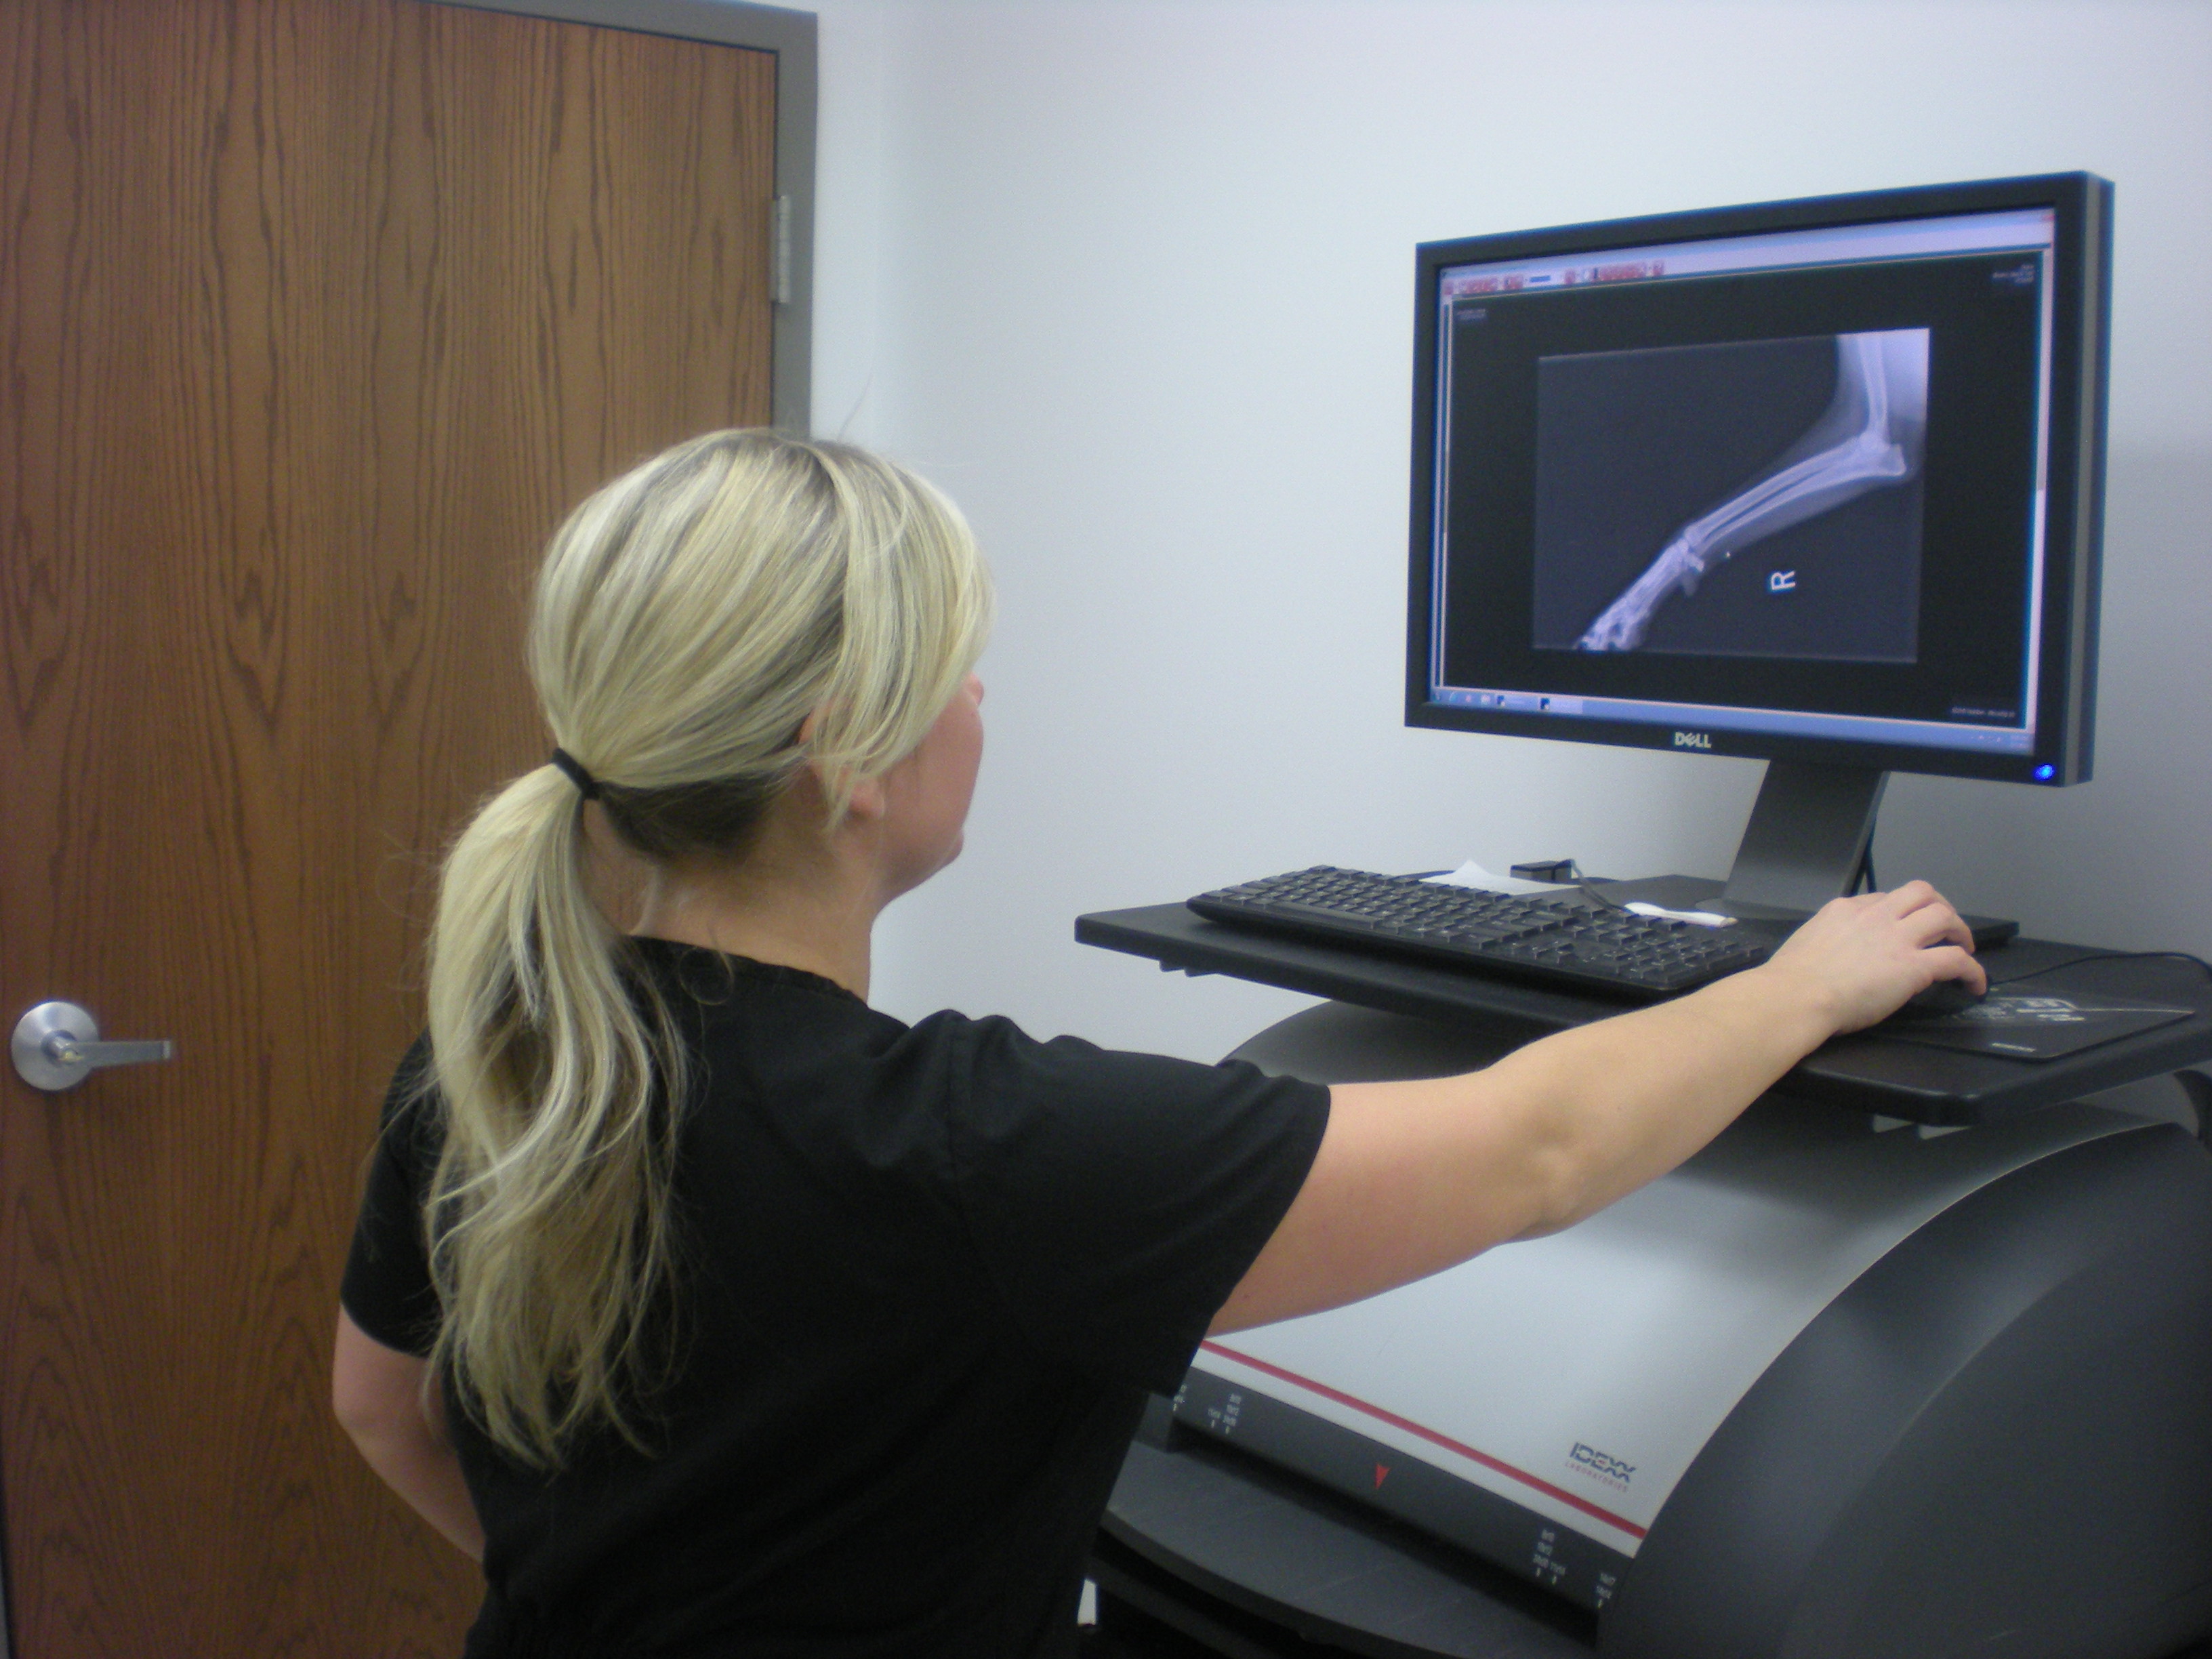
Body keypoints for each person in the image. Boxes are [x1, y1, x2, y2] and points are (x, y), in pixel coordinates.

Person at [333, 430, 1986, 1658]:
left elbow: (382, 1412)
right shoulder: (977, 1153)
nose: (984, 704)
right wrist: (1801, 986)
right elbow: (1535, 1152)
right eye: (962, 671)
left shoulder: (499, 1066)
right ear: (848, 758)